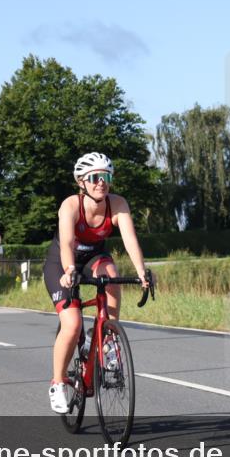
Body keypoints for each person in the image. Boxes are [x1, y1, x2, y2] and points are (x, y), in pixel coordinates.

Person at [42, 152, 151, 413]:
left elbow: (130, 239)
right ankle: (57, 383)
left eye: (106, 176)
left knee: (112, 275)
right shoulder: (70, 205)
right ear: (82, 181)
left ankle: (107, 338)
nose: (101, 182)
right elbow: (67, 243)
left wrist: (142, 272)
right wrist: (69, 270)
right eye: (94, 177)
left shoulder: (118, 204)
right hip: (62, 262)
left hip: (94, 257)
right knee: (73, 323)